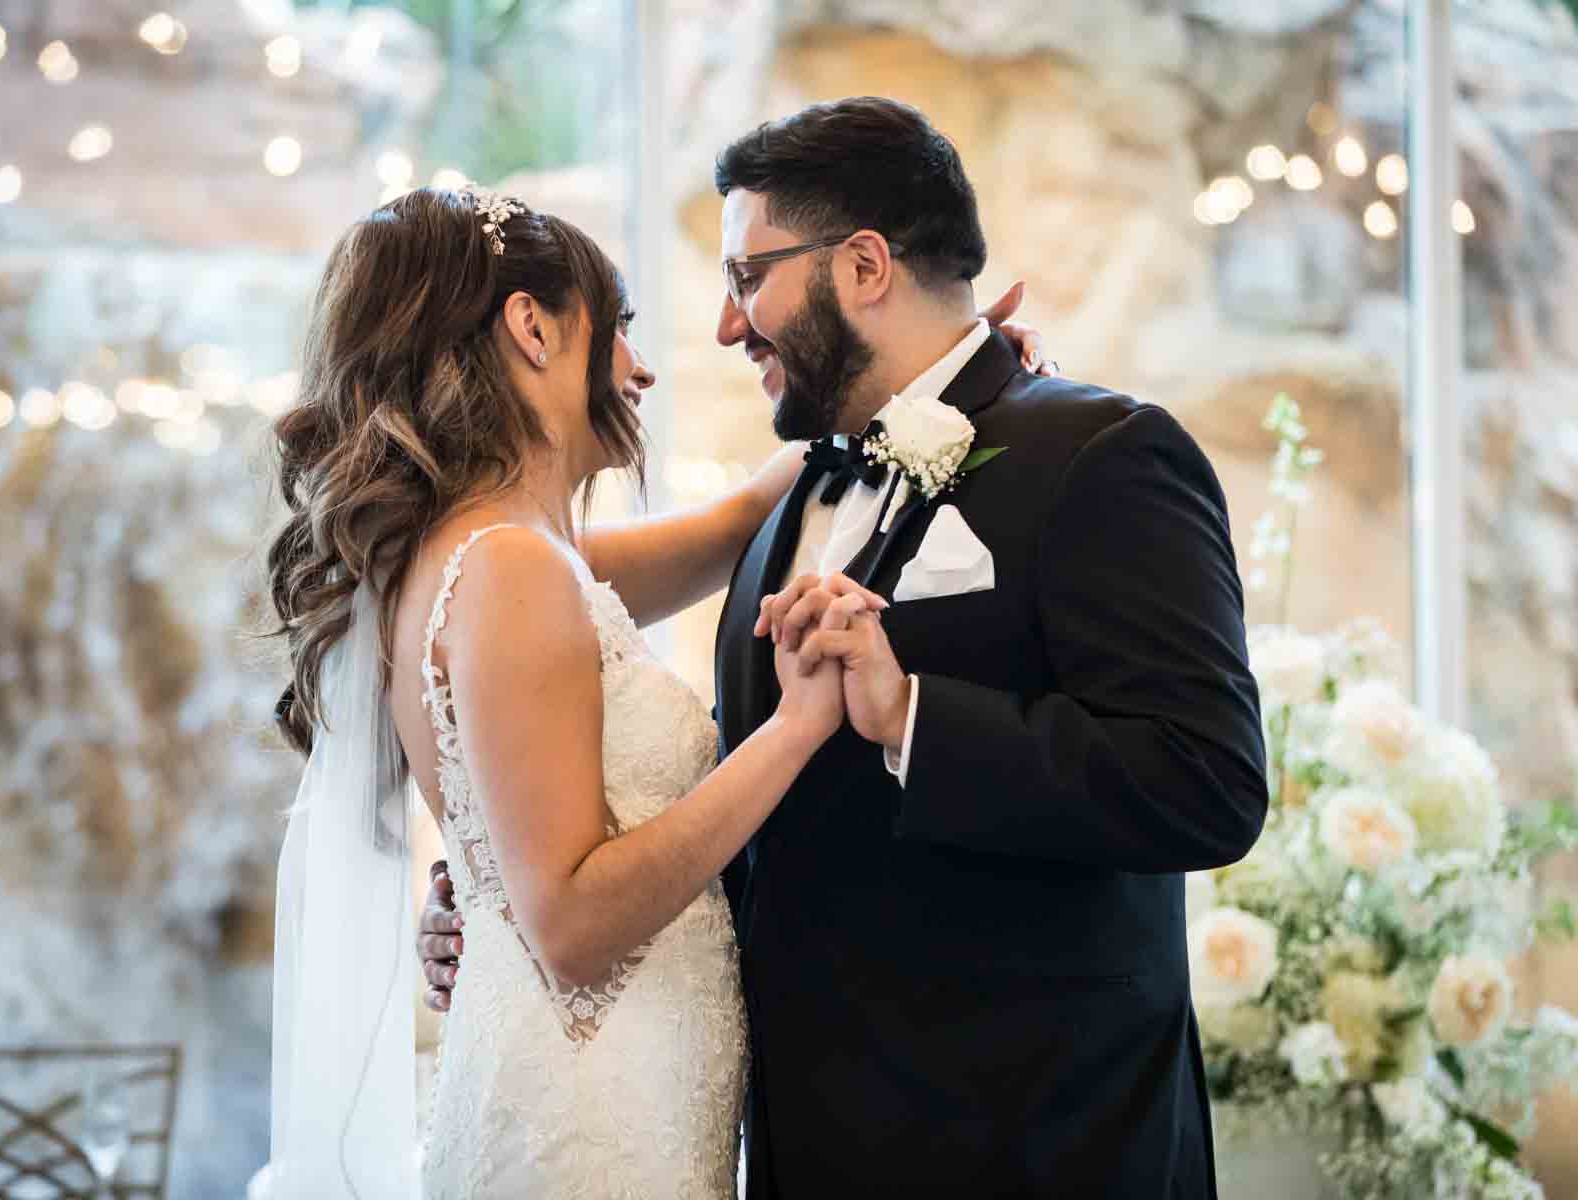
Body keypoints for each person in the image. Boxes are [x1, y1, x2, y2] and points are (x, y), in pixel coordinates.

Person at [421, 97, 1269, 1197]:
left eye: (746, 278)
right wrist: (499, 892)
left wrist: (914, 713)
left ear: (864, 265)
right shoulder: (792, 499)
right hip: (799, 1146)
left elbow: (1207, 784)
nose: (730, 327)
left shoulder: (1103, 455)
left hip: (1037, 1149)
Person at [266, 181, 1050, 1198]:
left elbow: (734, 528)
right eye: (619, 326)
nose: (640, 369)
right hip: (595, 1124)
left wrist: (941, 365)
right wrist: (800, 725)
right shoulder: (510, 569)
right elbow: (574, 926)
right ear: (532, 328)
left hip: (596, 1089)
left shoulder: (494, 554)